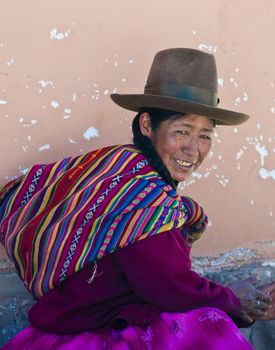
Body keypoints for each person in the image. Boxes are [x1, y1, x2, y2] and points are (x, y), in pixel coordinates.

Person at [0, 48, 274, 350]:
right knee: (210, 325)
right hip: (90, 333)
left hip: (85, 316)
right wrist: (233, 301)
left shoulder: (119, 165)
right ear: (147, 126)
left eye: (205, 136)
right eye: (182, 131)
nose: (193, 149)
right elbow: (168, 285)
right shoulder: (142, 195)